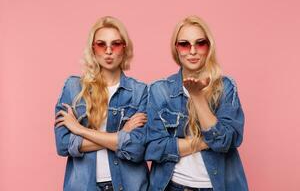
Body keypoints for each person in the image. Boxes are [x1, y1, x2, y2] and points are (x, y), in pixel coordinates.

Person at [144, 16, 248, 191]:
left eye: (200, 43)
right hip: (172, 186)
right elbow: (154, 148)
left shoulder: (225, 87)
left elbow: (224, 141)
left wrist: (197, 96)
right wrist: (204, 141)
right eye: (184, 44)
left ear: (209, 47)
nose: (192, 51)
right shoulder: (159, 90)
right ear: (176, 48)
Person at [54, 16, 149, 191]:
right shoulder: (74, 88)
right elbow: (63, 144)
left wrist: (80, 130)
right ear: (93, 48)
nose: (108, 50)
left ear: (124, 48)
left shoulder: (140, 91)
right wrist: (122, 134)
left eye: (116, 44)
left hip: (130, 186)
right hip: (84, 186)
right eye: (101, 44)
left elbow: (136, 149)